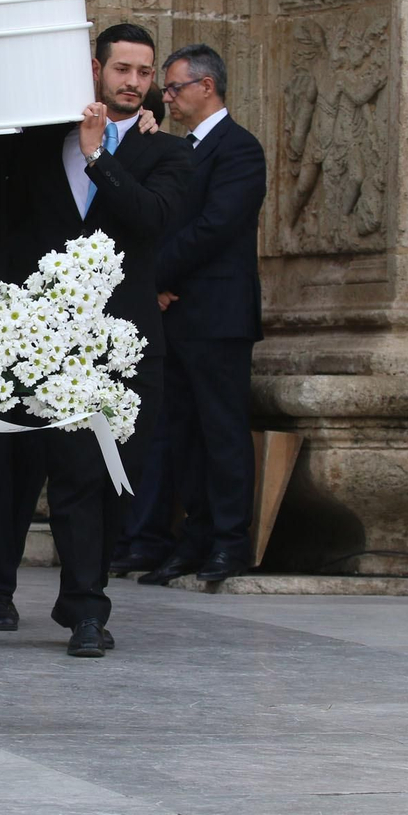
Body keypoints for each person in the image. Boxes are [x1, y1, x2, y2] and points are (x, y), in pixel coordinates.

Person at [0, 23, 192, 655]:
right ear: (95, 70)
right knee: (7, 468)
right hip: (34, 336)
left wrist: (102, 158)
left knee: (97, 475)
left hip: (121, 344)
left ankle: (85, 609)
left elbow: (153, 218)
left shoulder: (167, 153)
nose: (133, 82)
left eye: (145, 72)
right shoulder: (35, 145)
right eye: (122, 69)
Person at [140, 43, 267, 586]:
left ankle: (230, 541)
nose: (167, 97)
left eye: (174, 88)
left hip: (217, 314)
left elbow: (215, 227)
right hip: (175, 313)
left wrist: (156, 277)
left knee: (222, 429)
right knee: (182, 431)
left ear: (206, 87)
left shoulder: (239, 149)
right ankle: (193, 537)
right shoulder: (176, 148)